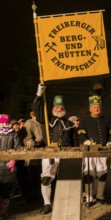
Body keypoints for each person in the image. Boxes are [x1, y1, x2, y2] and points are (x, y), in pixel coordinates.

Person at [32, 84, 77, 215]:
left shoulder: (69, 123)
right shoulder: (46, 119)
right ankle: (47, 204)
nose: (59, 108)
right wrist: (39, 95)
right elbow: (37, 109)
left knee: (67, 180)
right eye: (56, 106)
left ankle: (68, 203)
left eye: (61, 107)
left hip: (66, 154)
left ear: (64, 108)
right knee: (46, 179)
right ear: (52, 108)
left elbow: (74, 141)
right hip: (49, 153)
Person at [78, 95, 111, 207]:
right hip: (90, 151)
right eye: (94, 107)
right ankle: (89, 197)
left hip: (102, 151)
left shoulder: (106, 120)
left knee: (102, 172)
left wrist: (110, 141)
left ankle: (100, 196)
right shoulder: (85, 120)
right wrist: (86, 141)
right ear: (90, 109)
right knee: (88, 172)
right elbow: (81, 133)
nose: (96, 109)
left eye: (98, 107)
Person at [0, 114, 21, 219]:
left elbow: (18, 148)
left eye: (5, 122)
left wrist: (14, 160)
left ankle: (3, 212)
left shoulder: (13, 134)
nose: (4, 124)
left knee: (5, 191)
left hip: (7, 165)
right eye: (2, 122)